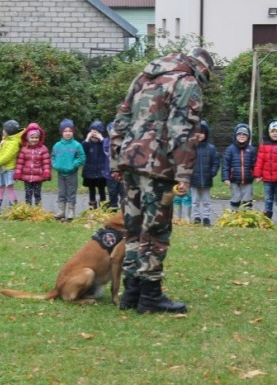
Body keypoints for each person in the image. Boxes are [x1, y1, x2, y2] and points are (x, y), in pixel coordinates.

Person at [109, 47, 213, 314]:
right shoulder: (186, 82)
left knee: (133, 228)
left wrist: (115, 159)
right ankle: (150, 296)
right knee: (155, 231)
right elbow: (183, 130)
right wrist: (183, 174)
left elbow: (121, 117)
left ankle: (131, 292)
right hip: (159, 167)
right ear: (200, 69)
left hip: (130, 160)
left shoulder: (144, 76)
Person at [254, 119, 277, 226]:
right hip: (267, 179)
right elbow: (260, 161)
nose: (275, 134)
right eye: (272, 131)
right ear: (269, 133)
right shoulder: (264, 145)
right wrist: (258, 175)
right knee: (268, 199)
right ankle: (267, 220)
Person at [51, 119, 86, 221]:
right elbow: (52, 156)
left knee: (71, 192)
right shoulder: (57, 145)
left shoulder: (76, 145)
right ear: (62, 132)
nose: (68, 133)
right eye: (65, 131)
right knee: (61, 192)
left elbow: (82, 157)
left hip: (72, 173)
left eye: (70, 131)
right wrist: (54, 164)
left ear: (73, 132)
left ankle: (71, 212)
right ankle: (61, 211)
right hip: (60, 173)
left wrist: (75, 164)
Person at [0, 119, 24, 216]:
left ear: (8, 131)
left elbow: (7, 156)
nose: (2, 131)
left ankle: (14, 209)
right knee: (0, 187)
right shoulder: (5, 141)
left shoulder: (14, 143)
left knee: (9, 188)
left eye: (4, 129)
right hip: (2, 170)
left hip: (9, 170)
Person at [190, 120, 219, 226]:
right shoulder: (191, 148)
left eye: (202, 133)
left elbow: (216, 161)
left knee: (206, 201)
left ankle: (206, 217)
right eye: (197, 132)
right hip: (194, 179)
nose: (200, 135)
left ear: (206, 134)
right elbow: (187, 162)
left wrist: (212, 172)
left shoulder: (211, 148)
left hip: (206, 179)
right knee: (195, 201)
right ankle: (197, 217)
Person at [14, 123, 51, 206]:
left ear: (39, 138)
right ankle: (28, 209)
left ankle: (38, 210)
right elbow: (20, 162)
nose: (34, 139)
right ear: (27, 138)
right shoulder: (24, 149)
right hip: (27, 177)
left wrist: (46, 172)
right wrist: (18, 173)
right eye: (32, 137)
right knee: (28, 194)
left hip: (38, 176)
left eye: (36, 137)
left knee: (37, 194)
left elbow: (46, 162)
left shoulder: (43, 149)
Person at [222, 123, 256, 210]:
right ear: (235, 135)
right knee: (236, 198)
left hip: (248, 180)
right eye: (239, 134)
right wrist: (226, 178)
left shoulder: (251, 150)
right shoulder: (230, 149)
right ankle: (234, 215)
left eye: (244, 134)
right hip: (234, 180)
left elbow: (255, 164)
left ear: (248, 137)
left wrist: (257, 175)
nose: (242, 136)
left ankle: (247, 217)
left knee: (247, 199)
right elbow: (225, 164)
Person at [82, 119, 108, 210]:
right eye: (93, 133)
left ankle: (103, 207)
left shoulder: (103, 143)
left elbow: (108, 147)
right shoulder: (87, 143)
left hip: (101, 172)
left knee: (102, 190)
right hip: (90, 172)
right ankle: (92, 207)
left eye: (96, 133)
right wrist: (87, 138)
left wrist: (101, 138)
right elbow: (82, 150)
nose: (94, 136)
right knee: (91, 190)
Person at [103, 122, 123, 210]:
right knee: (112, 192)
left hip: (122, 172)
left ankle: (124, 210)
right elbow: (108, 153)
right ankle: (113, 207)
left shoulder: (124, 141)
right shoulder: (106, 142)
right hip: (110, 172)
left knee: (123, 192)